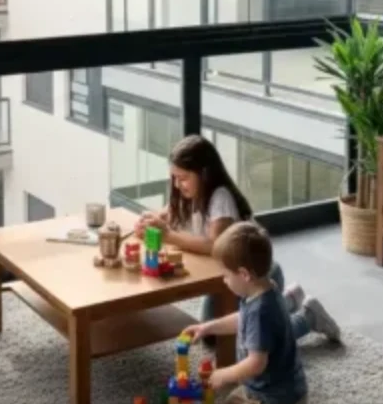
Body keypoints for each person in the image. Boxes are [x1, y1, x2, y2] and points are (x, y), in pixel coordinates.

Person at [136, 135, 340, 343]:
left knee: (248, 341)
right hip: (230, 276)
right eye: (174, 178)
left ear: (204, 173)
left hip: (255, 276)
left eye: (183, 178)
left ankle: (308, 317)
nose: (178, 184)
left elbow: (215, 245)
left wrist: (169, 236)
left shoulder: (219, 198)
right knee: (213, 335)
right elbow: (168, 214)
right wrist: (151, 220)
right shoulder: (187, 195)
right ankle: (286, 301)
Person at [184, 222, 308, 404]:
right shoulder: (264, 288)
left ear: (244, 275)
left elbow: (256, 363)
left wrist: (224, 374)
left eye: (226, 275)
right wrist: (208, 327)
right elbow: (243, 319)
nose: (224, 281)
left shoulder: (261, 311)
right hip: (259, 390)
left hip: (277, 402)